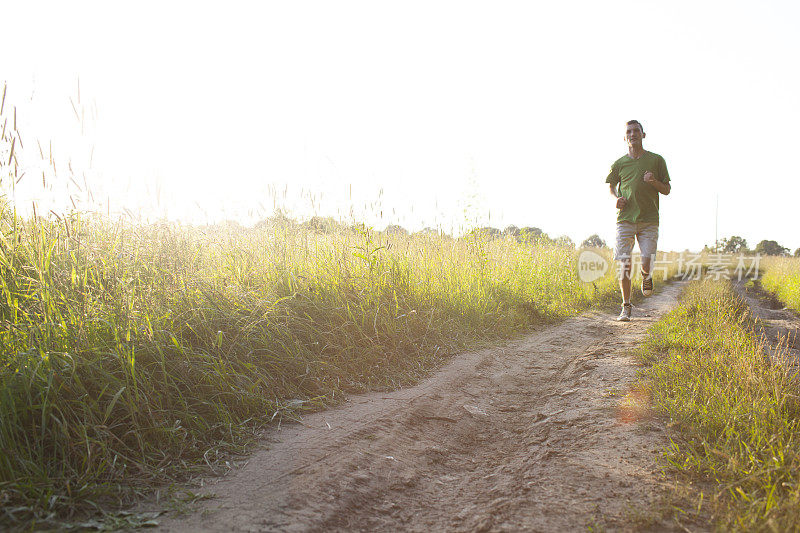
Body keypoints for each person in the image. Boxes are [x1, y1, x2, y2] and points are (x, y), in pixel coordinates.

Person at [605, 120, 671, 322]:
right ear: (625, 137)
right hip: (624, 219)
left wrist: (653, 181)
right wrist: (616, 198)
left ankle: (646, 276)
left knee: (646, 260)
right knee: (624, 263)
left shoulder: (656, 160)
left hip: (649, 219)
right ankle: (626, 306)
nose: (632, 134)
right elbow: (611, 186)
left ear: (643, 135)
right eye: (629, 132)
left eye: (636, 131)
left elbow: (667, 189)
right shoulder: (619, 164)